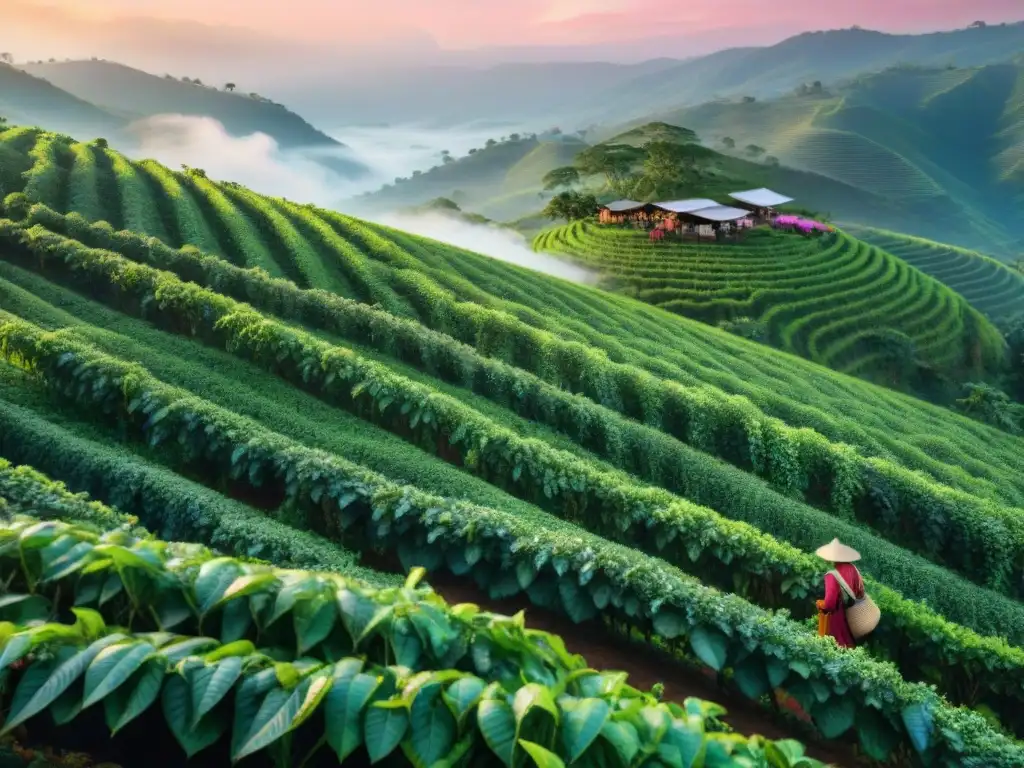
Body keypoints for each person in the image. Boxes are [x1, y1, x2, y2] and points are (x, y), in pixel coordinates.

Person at [815, 538, 864, 649]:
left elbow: (830, 604)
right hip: (853, 618)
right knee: (850, 649)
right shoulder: (854, 570)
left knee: (837, 647)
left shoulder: (832, 575)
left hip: (838, 618)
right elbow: (860, 593)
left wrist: (820, 604)